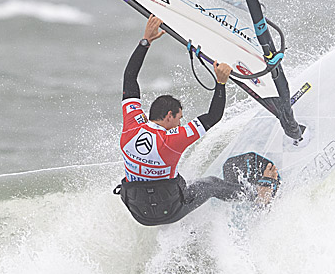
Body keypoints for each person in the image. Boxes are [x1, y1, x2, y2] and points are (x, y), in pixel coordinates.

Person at [115, 15, 279, 226]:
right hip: (168, 210)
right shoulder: (172, 141)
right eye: (179, 119)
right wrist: (220, 83)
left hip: (139, 213)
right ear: (168, 116)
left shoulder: (132, 126)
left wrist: (145, 41)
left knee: (175, 182)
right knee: (209, 184)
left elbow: (129, 78)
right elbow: (213, 117)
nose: (180, 124)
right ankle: (258, 195)